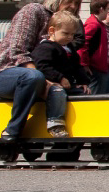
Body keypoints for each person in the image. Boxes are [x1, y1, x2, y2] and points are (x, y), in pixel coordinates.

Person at [0, 0, 82, 140]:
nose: (73, 6)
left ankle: (65, 141)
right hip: (7, 71)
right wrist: (43, 79)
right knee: (33, 77)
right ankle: (12, 130)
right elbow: (18, 51)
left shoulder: (65, 22)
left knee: (79, 91)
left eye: (76, 3)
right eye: (69, 1)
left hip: (41, 77)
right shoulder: (33, 11)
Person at [29, 10, 91, 138]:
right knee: (57, 92)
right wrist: (60, 78)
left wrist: (83, 82)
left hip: (67, 84)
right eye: (66, 33)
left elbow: (77, 67)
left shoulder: (69, 48)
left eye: (72, 34)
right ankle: (55, 124)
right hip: (49, 85)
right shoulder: (46, 47)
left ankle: (81, 123)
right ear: (52, 31)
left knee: (84, 94)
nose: (69, 37)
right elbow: (42, 66)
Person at [78, 0, 109, 94]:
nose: (108, 13)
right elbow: (83, 44)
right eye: (107, 10)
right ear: (101, 9)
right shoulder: (93, 24)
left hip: (100, 67)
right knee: (95, 97)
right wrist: (84, 64)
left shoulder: (98, 24)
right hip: (95, 68)